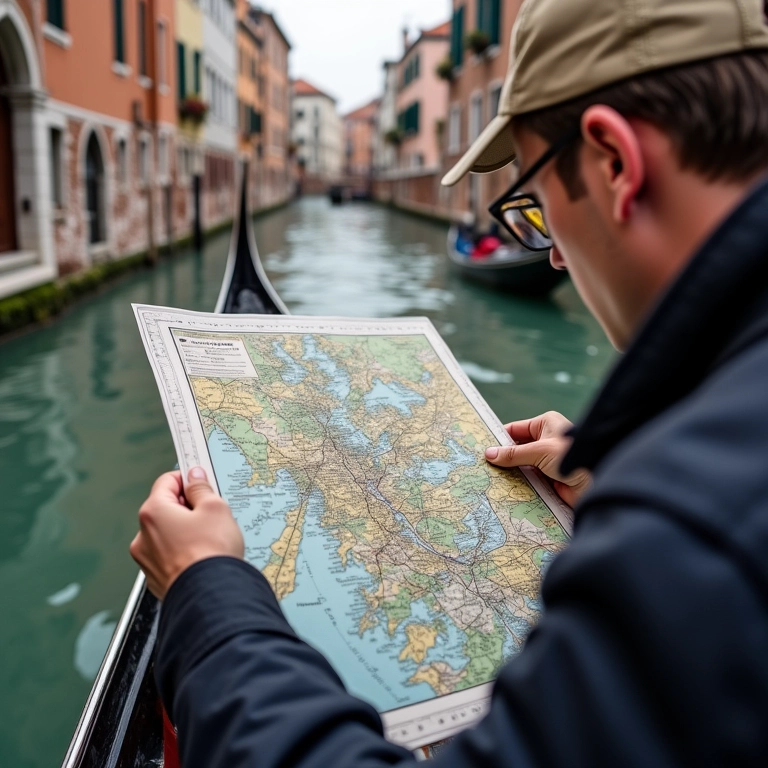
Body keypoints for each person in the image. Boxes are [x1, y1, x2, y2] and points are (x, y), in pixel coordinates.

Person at [131, 0, 768, 764]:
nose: (555, 257)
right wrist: (613, 480)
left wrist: (208, 593)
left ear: (615, 164)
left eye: (535, 206)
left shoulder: (691, 520)